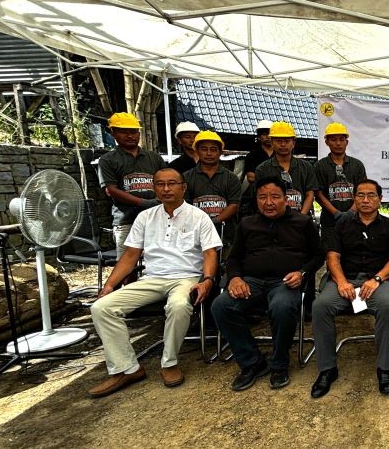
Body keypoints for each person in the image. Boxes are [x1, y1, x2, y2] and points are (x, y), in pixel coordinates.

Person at [88, 168, 222, 398]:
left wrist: (208, 280)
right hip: (152, 278)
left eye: (172, 183)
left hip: (186, 277)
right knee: (101, 307)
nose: (166, 189)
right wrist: (109, 285)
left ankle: (169, 362)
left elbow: (210, 253)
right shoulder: (145, 217)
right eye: (160, 184)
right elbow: (130, 256)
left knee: (179, 306)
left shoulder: (199, 216)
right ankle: (126, 368)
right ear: (154, 188)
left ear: (183, 187)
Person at [212, 176, 323, 391]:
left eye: (274, 197)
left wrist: (302, 272)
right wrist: (235, 278)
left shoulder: (302, 222)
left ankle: (279, 363)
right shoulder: (247, 224)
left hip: (285, 281)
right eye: (262, 197)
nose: (268, 202)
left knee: (281, 306)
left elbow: (318, 255)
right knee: (221, 305)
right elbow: (233, 258)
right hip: (251, 281)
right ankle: (252, 362)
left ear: (286, 199)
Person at [311, 179, 389, 398]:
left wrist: (377, 279)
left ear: (380, 200)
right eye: (361, 195)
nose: (366, 200)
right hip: (347, 280)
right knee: (320, 306)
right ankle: (327, 369)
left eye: (371, 195)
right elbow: (332, 257)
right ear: (354, 199)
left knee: (385, 305)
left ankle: (384, 369)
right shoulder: (341, 225)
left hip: (376, 282)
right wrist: (342, 282)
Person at [97, 112, 167, 257]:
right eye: (124, 132)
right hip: (126, 220)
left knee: (157, 261)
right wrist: (143, 202)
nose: (130, 136)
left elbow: (166, 182)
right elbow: (111, 190)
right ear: (113, 132)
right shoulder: (108, 160)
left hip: (155, 220)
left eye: (133, 132)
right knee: (127, 265)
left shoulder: (153, 158)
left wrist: (159, 201)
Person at [314, 122, 367, 238]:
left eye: (341, 139)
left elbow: (363, 192)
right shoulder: (320, 166)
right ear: (326, 142)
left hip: (355, 221)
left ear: (346, 142)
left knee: (354, 254)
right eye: (333, 139)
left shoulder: (357, 165)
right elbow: (318, 194)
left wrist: (351, 213)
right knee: (330, 254)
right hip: (330, 222)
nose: (338, 143)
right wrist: (336, 213)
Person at [253, 121, 318, 215]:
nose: (283, 144)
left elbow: (310, 194)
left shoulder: (306, 167)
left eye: (287, 141)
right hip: (272, 222)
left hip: (301, 222)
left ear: (293, 143)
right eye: (278, 141)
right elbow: (260, 197)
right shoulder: (262, 169)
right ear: (272, 143)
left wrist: (301, 218)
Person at [183, 130, 241, 225]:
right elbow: (185, 206)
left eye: (213, 149)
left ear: (220, 152)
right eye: (204, 149)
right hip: (195, 230)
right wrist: (202, 224)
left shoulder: (231, 178)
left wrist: (213, 222)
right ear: (197, 151)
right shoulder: (186, 177)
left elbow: (234, 205)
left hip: (225, 234)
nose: (209, 153)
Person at [239, 119, 274, 217]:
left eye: (270, 133)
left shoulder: (280, 154)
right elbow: (250, 177)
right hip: (258, 196)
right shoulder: (252, 155)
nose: (267, 136)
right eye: (264, 134)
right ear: (259, 136)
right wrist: (275, 179)